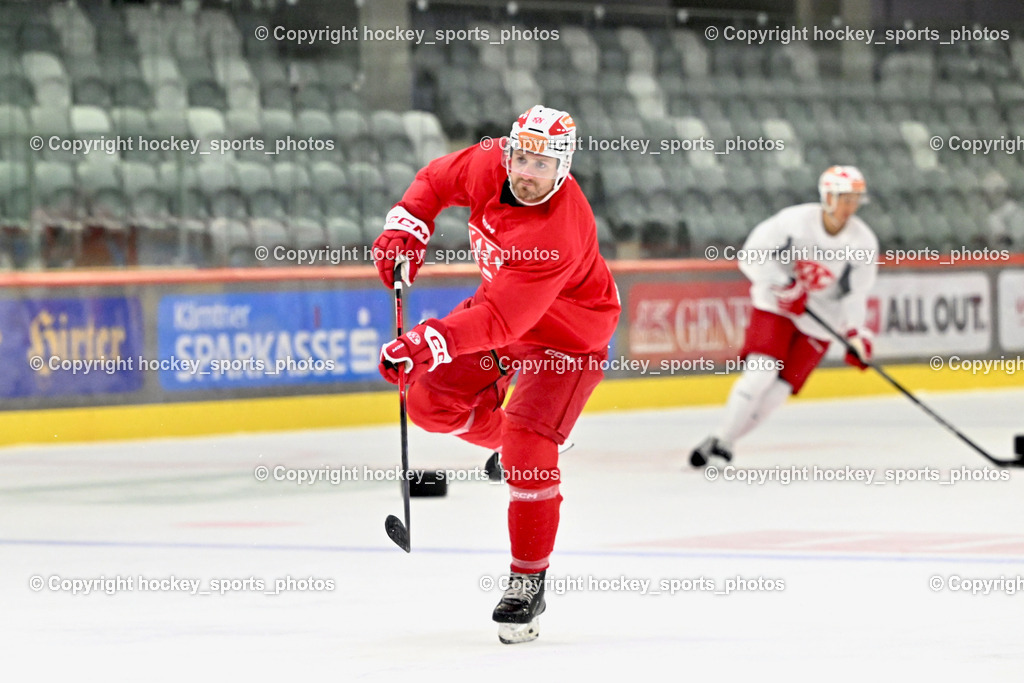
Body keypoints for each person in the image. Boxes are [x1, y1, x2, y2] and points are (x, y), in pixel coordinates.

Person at [373, 105, 621, 644]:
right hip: (504, 313)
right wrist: (408, 226)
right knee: (428, 403)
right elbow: (435, 180)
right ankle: (510, 442)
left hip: (567, 341)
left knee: (530, 449)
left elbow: (502, 320)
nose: (530, 173)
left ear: (565, 167)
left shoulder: (558, 228)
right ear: (509, 151)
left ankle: (527, 581)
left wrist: (429, 340)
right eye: (524, 157)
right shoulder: (491, 164)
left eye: (545, 163)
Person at [689, 166, 878, 467]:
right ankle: (724, 441)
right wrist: (783, 284)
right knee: (761, 372)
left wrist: (856, 333)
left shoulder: (862, 240)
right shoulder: (795, 221)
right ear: (827, 196)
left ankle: (722, 438)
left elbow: (858, 292)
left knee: (779, 392)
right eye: (844, 198)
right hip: (777, 305)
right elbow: (751, 254)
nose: (849, 207)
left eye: (855, 200)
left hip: (820, 320)